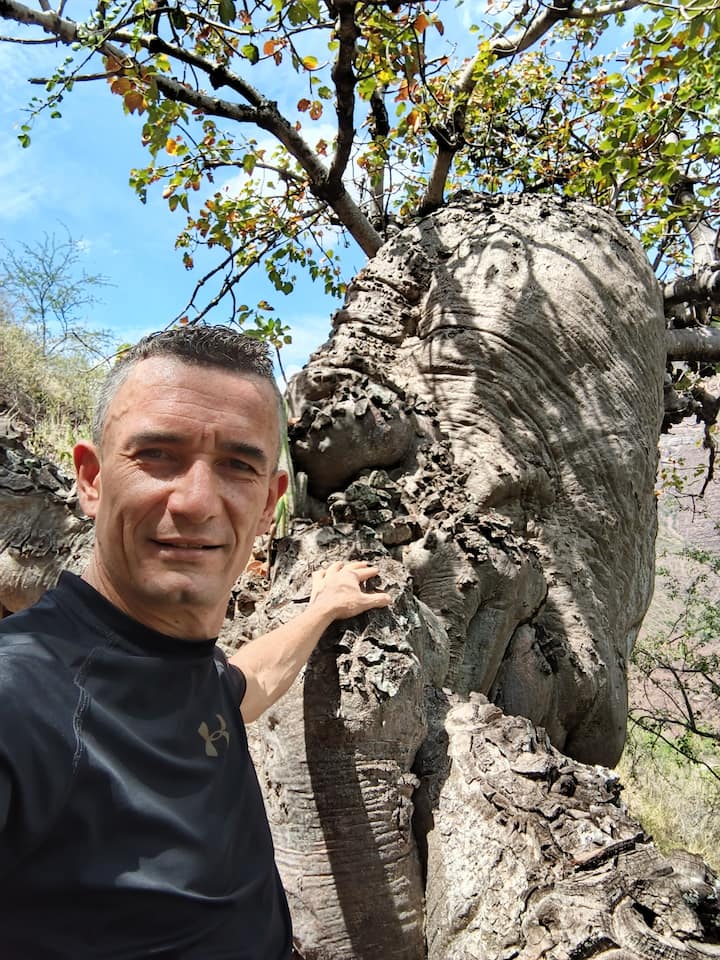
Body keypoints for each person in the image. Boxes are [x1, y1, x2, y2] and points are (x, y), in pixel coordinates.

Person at [0, 325, 391, 959]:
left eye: (237, 465)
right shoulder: (22, 694)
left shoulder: (184, 673)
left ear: (269, 503)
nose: (197, 502)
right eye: (158, 454)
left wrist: (323, 610)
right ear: (92, 479)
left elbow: (242, 685)